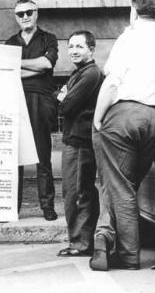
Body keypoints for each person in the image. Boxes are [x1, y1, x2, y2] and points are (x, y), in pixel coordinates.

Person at [89, 0, 155, 271]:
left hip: (123, 115)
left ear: (134, 11)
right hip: (153, 118)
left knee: (119, 187)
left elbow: (113, 81)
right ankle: (103, 238)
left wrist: (98, 117)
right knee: (125, 184)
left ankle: (127, 254)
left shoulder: (129, 38)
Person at [5, 0, 59, 221]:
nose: (25, 17)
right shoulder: (9, 43)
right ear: (16, 17)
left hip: (40, 100)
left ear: (36, 14)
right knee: (14, 157)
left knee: (42, 155)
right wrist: (34, 68)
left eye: (29, 12)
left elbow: (47, 65)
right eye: (20, 14)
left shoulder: (49, 38)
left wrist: (18, 64)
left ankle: (47, 206)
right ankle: (12, 208)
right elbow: (8, 71)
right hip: (15, 99)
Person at [56, 31, 103, 257]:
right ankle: (80, 241)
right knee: (77, 191)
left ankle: (81, 244)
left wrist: (64, 96)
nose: (74, 51)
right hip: (75, 139)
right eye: (71, 46)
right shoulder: (80, 73)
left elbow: (66, 106)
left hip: (80, 141)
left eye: (79, 47)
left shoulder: (90, 74)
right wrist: (64, 96)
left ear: (91, 50)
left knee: (77, 192)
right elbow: (63, 98)